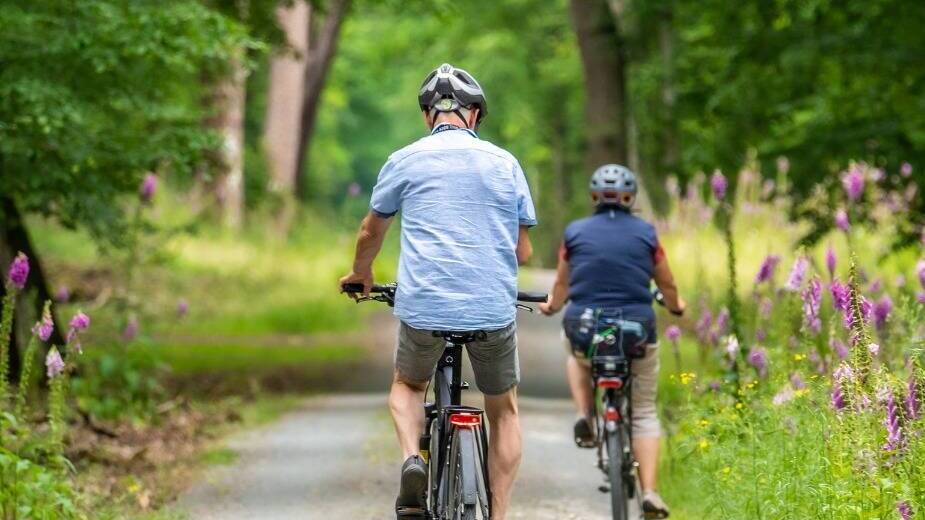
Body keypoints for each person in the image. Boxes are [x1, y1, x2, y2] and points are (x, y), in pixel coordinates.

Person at [339, 63, 536, 520]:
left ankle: (413, 458)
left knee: (408, 385)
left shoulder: (404, 160)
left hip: (424, 306)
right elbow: (523, 251)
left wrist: (361, 274)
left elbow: (371, 231)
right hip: (491, 309)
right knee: (503, 410)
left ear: (429, 115)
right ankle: (499, 513)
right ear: (475, 115)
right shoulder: (505, 164)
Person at [538, 164, 684, 519]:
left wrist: (553, 306)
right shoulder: (648, 234)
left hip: (586, 328)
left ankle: (585, 414)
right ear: (630, 197)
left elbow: (562, 286)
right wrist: (677, 307)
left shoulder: (574, 233)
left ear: (593, 197)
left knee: (575, 354)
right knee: (645, 411)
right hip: (636, 331)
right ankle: (650, 492)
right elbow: (667, 285)